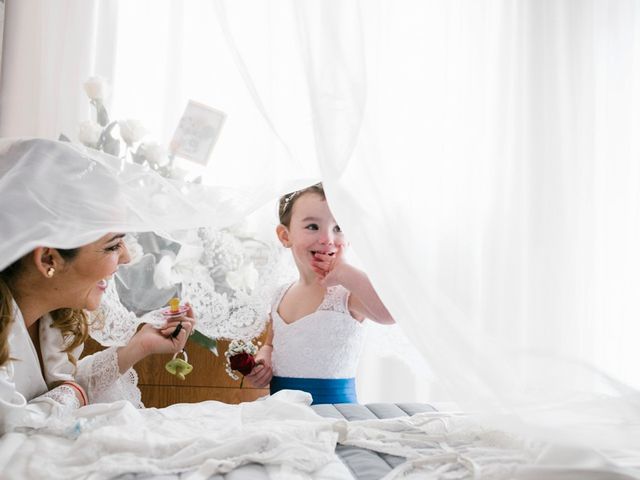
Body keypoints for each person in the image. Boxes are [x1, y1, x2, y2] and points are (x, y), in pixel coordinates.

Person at [0, 138, 196, 434]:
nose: (128, 257)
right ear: (49, 258)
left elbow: (60, 387)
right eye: (113, 245)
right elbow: (18, 426)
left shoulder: (51, 319)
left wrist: (138, 346)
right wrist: (72, 393)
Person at [245, 183, 395, 404]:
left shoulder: (348, 294)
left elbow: (389, 314)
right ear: (285, 236)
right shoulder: (280, 294)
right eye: (313, 226)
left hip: (334, 415)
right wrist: (264, 357)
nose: (327, 238)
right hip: (281, 412)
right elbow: (271, 343)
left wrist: (345, 273)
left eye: (339, 228)